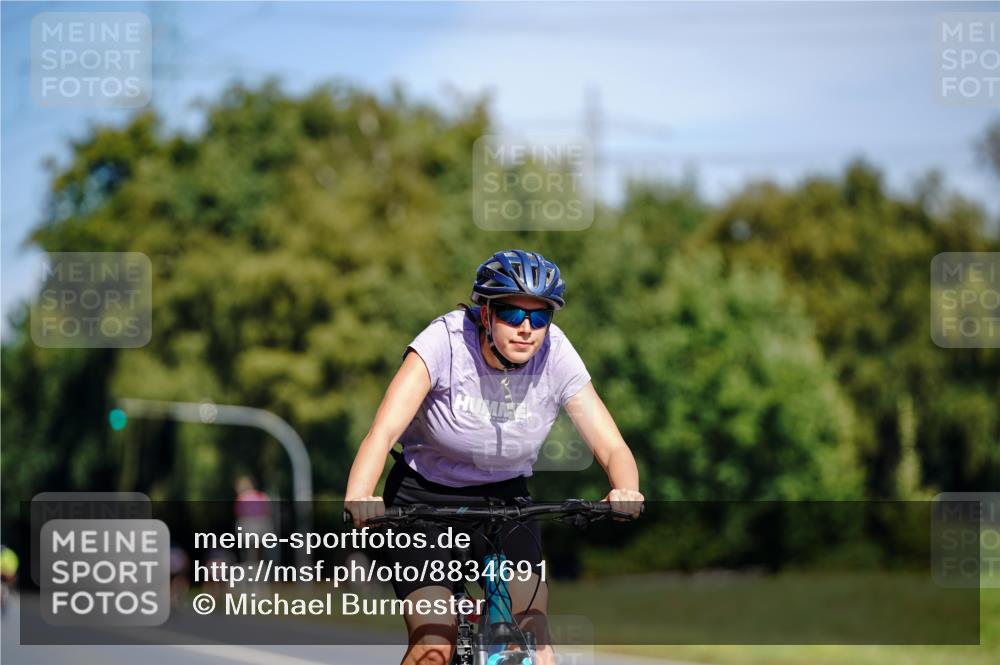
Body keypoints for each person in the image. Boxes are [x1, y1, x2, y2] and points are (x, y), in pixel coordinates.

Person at [345, 249, 644, 665]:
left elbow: (612, 445)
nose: (527, 329)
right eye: (511, 314)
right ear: (485, 314)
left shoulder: (556, 354)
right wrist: (361, 492)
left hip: (506, 501)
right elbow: (383, 432)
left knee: (535, 639)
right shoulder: (443, 343)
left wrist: (625, 488)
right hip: (421, 502)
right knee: (435, 644)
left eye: (540, 317)